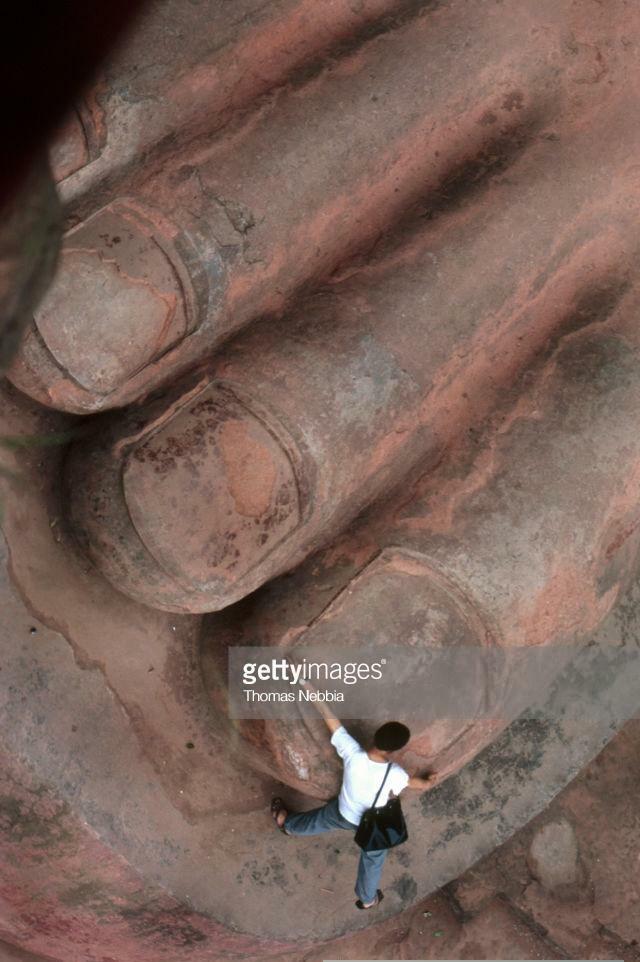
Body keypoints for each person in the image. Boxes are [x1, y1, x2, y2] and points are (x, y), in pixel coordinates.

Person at [271, 678, 435, 910]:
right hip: (370, 826)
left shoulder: (353, 754)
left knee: (318, 821)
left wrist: (306, 684)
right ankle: (367, 899)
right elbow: (416, 784)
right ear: (395, 750)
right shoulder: (395, 773)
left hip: (342, 811)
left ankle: (287, 825)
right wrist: (429, 781)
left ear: (375, 736)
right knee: (373, 859)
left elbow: (330, 720)